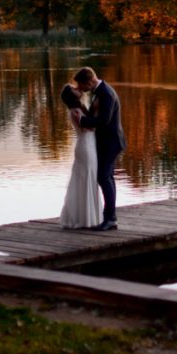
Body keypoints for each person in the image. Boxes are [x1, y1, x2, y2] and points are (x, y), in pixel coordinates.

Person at [72, 67, 125, 231]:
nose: (81, 88)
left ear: (89, 82)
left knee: (103, 177)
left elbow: (104, 121)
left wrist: (82, 121)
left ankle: (110, 218)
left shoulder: (106, 93)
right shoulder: (100, 91)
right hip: (107, 142)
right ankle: (110, 217)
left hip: (111, 143)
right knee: (107, 177)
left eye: (81, 85)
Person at [58, 83, 103, 229]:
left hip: (88, 145)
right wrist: (97, 110)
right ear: (72, 95)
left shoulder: (80, 107)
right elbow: (89, 127)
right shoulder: (75, 111)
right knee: (86, 179)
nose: (77, 88)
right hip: (85, 147)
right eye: (74, 88)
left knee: (88, 179)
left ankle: (89, 216)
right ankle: (85, 218)